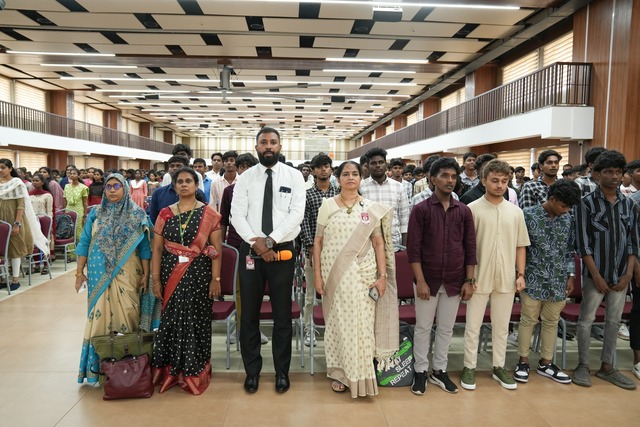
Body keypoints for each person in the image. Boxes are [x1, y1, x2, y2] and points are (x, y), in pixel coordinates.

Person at [313, 161, 398, 398]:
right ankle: (340, 374)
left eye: (354, 174)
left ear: (361, 178)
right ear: (338, 178)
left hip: (364, 276)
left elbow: (378, 243)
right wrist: (317, 276)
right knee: (338, 324)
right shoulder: (327, 205)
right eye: (345, 174)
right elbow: (318, 242)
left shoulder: (370, 208)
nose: (350, 177)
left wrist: (382, 277)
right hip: (335, 277)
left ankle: (363, 374)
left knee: (363, 325)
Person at [230, 127, 305, 394]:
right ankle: (252, 372)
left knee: (282, 314)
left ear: (280, 146)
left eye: (273, 142)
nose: (268, 146)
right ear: (257, 147)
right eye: (264, 142)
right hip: (251, 250)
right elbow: (236, 215)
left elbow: (296, 214)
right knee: (249, 314)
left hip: (282, 251)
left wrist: (270, 241)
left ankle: (282, 372)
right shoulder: (245, 178)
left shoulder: (294, 176)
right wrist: (258, 245)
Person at [407, 157, 477, 396]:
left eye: (454, 176)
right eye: (445, 176)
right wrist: (421, 281)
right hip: (428, 279)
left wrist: (469, 280)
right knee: (423, 327)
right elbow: (413, 249)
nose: (450, 180)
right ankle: (420, 370)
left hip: (455, 278)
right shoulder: (421, 210)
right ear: (432, 179)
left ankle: (439, 370)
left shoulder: (463, 211)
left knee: (446, 328)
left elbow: (470, 248)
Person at [151, 167, 222, 395]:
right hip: (170, 273)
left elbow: (216, 250)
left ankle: (194, 370)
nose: (183, 184)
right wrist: (155, 280)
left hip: (199, 274)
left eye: (188, 181)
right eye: (179, 181)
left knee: (196, 320)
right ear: (174, 186)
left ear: (196, 185)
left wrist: (216, 279)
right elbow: (157, 249)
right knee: (171, 320)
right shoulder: (165, 214)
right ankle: (170, 370)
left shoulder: (209, 214)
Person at [74, 173, 151, 384]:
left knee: (129, 311)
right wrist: (79, 272)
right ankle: (99, 370)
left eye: (117, 186)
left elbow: (145, 248)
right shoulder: (96, 213)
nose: (113, 190)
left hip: (129, 272)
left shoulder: (137, 214)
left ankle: (129, 370)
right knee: (99, 317)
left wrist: (146, 275)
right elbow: (84, 242)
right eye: (109, 187)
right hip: (98, 272)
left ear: (125, 188)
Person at [461, 159, 530, 391]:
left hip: (507, 277)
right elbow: (466, 247)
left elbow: (521, 246)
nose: (500, 185)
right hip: (479, 276)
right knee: (473, 326)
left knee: (501, 326)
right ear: (484, 181)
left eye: (504, 181)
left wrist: (520, 274)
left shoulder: (516, 212)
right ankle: (469, 366)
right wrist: (468, 277)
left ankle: (499, 366)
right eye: (494, 180)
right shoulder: (472, 210)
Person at [573, 150, 639, 390]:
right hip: (595, 275)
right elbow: (583, 245)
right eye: (608, 172)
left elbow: (633, 243)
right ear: (597, 175)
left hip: (621, 275)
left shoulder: (630, 205)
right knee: (586, 320)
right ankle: (582, 365)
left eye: (618, 172)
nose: (614, 176)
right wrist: (596, 276)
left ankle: (607, 367)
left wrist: (628, 274)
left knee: (614, 320)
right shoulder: (585, 204)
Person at [514, 179, 581, 385]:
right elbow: (520, 248)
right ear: (551, 199)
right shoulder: (527, 215)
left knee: (552, 321)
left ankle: (546, 363)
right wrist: (519, 274)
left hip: (558, 279)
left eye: (569, 207)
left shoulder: (568, 219)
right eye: (563, 205)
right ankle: (523, 362)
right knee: (528, 320)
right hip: (532, 277)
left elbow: (569, 249)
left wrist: (571, 275)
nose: (566, 210)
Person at [300, 153, 337, 347]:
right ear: (313, 171)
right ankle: (309, 329)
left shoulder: (339, 193)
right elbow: (304, 221)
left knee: (335, 293)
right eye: (320, 167)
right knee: (310, 295)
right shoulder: (307, 195)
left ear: (331, 169)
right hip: (313, 251)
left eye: (327, 166)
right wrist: (309, 246)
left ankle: (334, 328)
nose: (324, 169)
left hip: (337, 251)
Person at [0, 159, 49, 290]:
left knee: (15, 249)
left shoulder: (16, 183)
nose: (0, 170)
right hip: (1, 220)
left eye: (3, 167)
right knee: (2, 250)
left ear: (10, 169)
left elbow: (21, 205)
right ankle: (4, 279)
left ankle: (15, 280)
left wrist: (17, 223)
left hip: (14, 219)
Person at [360, 147, 410, 252]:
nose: (378, 165)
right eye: (373, 163)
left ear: (386, 165)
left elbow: (404, 219)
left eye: (381, 162)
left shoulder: (399, 187)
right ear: (368, 166)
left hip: (394, 245)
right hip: (368, 246)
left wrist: (404, 248)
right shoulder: (360, 187)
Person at [149, 155, 206, 224]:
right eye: (172, 166)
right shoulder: (158, 193)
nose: (175, 168)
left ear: (186, 168)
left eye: (178, 165)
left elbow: (204, 218)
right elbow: (154, 219)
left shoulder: (198, 193)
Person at [29, 173, 54, 273]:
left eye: (37, 180)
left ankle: (45, 264)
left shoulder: (47, 195)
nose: (34, 182)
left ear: (42, 182)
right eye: (33, 180)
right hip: (32, 221)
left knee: (44, 241)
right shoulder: (29, 194)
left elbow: (49, 211)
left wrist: (50, 225)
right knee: (34, 242)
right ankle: (36, 264)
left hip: (44, 220)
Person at [62, 166, 89, 249]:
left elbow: (85, 203)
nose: (72, 175)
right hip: (68, 209)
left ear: (79, 175)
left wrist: (85, 215)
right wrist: (64, 211)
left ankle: (81, 250)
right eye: (70, 174)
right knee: (69, 229)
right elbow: (64, 200)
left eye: (74, 173)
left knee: (78, 230)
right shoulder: (66, 186)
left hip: (79, 209)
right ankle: (71, 252)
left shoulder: (83, 187)